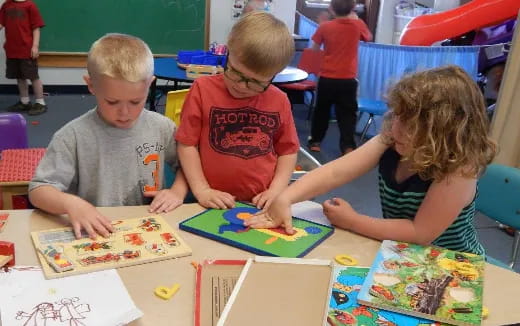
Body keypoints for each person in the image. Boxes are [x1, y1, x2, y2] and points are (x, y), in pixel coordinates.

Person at [246, 66, 497, 255]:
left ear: (443, 132)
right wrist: (286, 198)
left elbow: (420, 232)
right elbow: (335, 172)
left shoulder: (459, 168)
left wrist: (353, 221)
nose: (395, 128)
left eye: (410, 125)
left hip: (452, 264)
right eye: (397, 116)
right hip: (403, 252)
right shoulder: (392, 139)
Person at [29, 33, 189, 239]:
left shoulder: (162, 127)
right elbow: (39, 189)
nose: (125, 113)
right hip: (97, 231)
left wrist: (177, 191)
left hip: (149, 228)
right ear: (91, 85)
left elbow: (188, 166)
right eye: (112, 102)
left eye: (135, 102)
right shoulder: (72, 136)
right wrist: (72, 204)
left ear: (150, 84)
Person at [176, 11, 299, 210]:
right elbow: (186, 144)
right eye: (235, 72)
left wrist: (276, 191)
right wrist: (202, 190)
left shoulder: (279, 100)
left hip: (259, 204)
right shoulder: (202, 89)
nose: (242, 86)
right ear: (227, 53)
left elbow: (288, 151)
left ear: (274, 76)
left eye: (256, 82)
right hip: (208, 202)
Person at [307, 0, 372, 155]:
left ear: (331, 8)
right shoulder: (358, 25)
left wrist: (323, 26)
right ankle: (348, 146)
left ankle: (315, 141)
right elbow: (368, 38)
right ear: (353, 8)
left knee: (321, 112)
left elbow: (314, 49)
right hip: (348, 79)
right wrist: (355, 19)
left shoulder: (325, 26)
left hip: (327, 78)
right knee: (347, 114)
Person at [0, 0, 47, 115]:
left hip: (27, 50)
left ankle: (40, 102)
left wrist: (35, 46)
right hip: (12, 49)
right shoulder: (6, 5)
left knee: (33, 76)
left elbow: (36, 28)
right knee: (20, 76)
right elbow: (1, 24)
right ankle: (25, 102)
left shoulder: (30, 5)